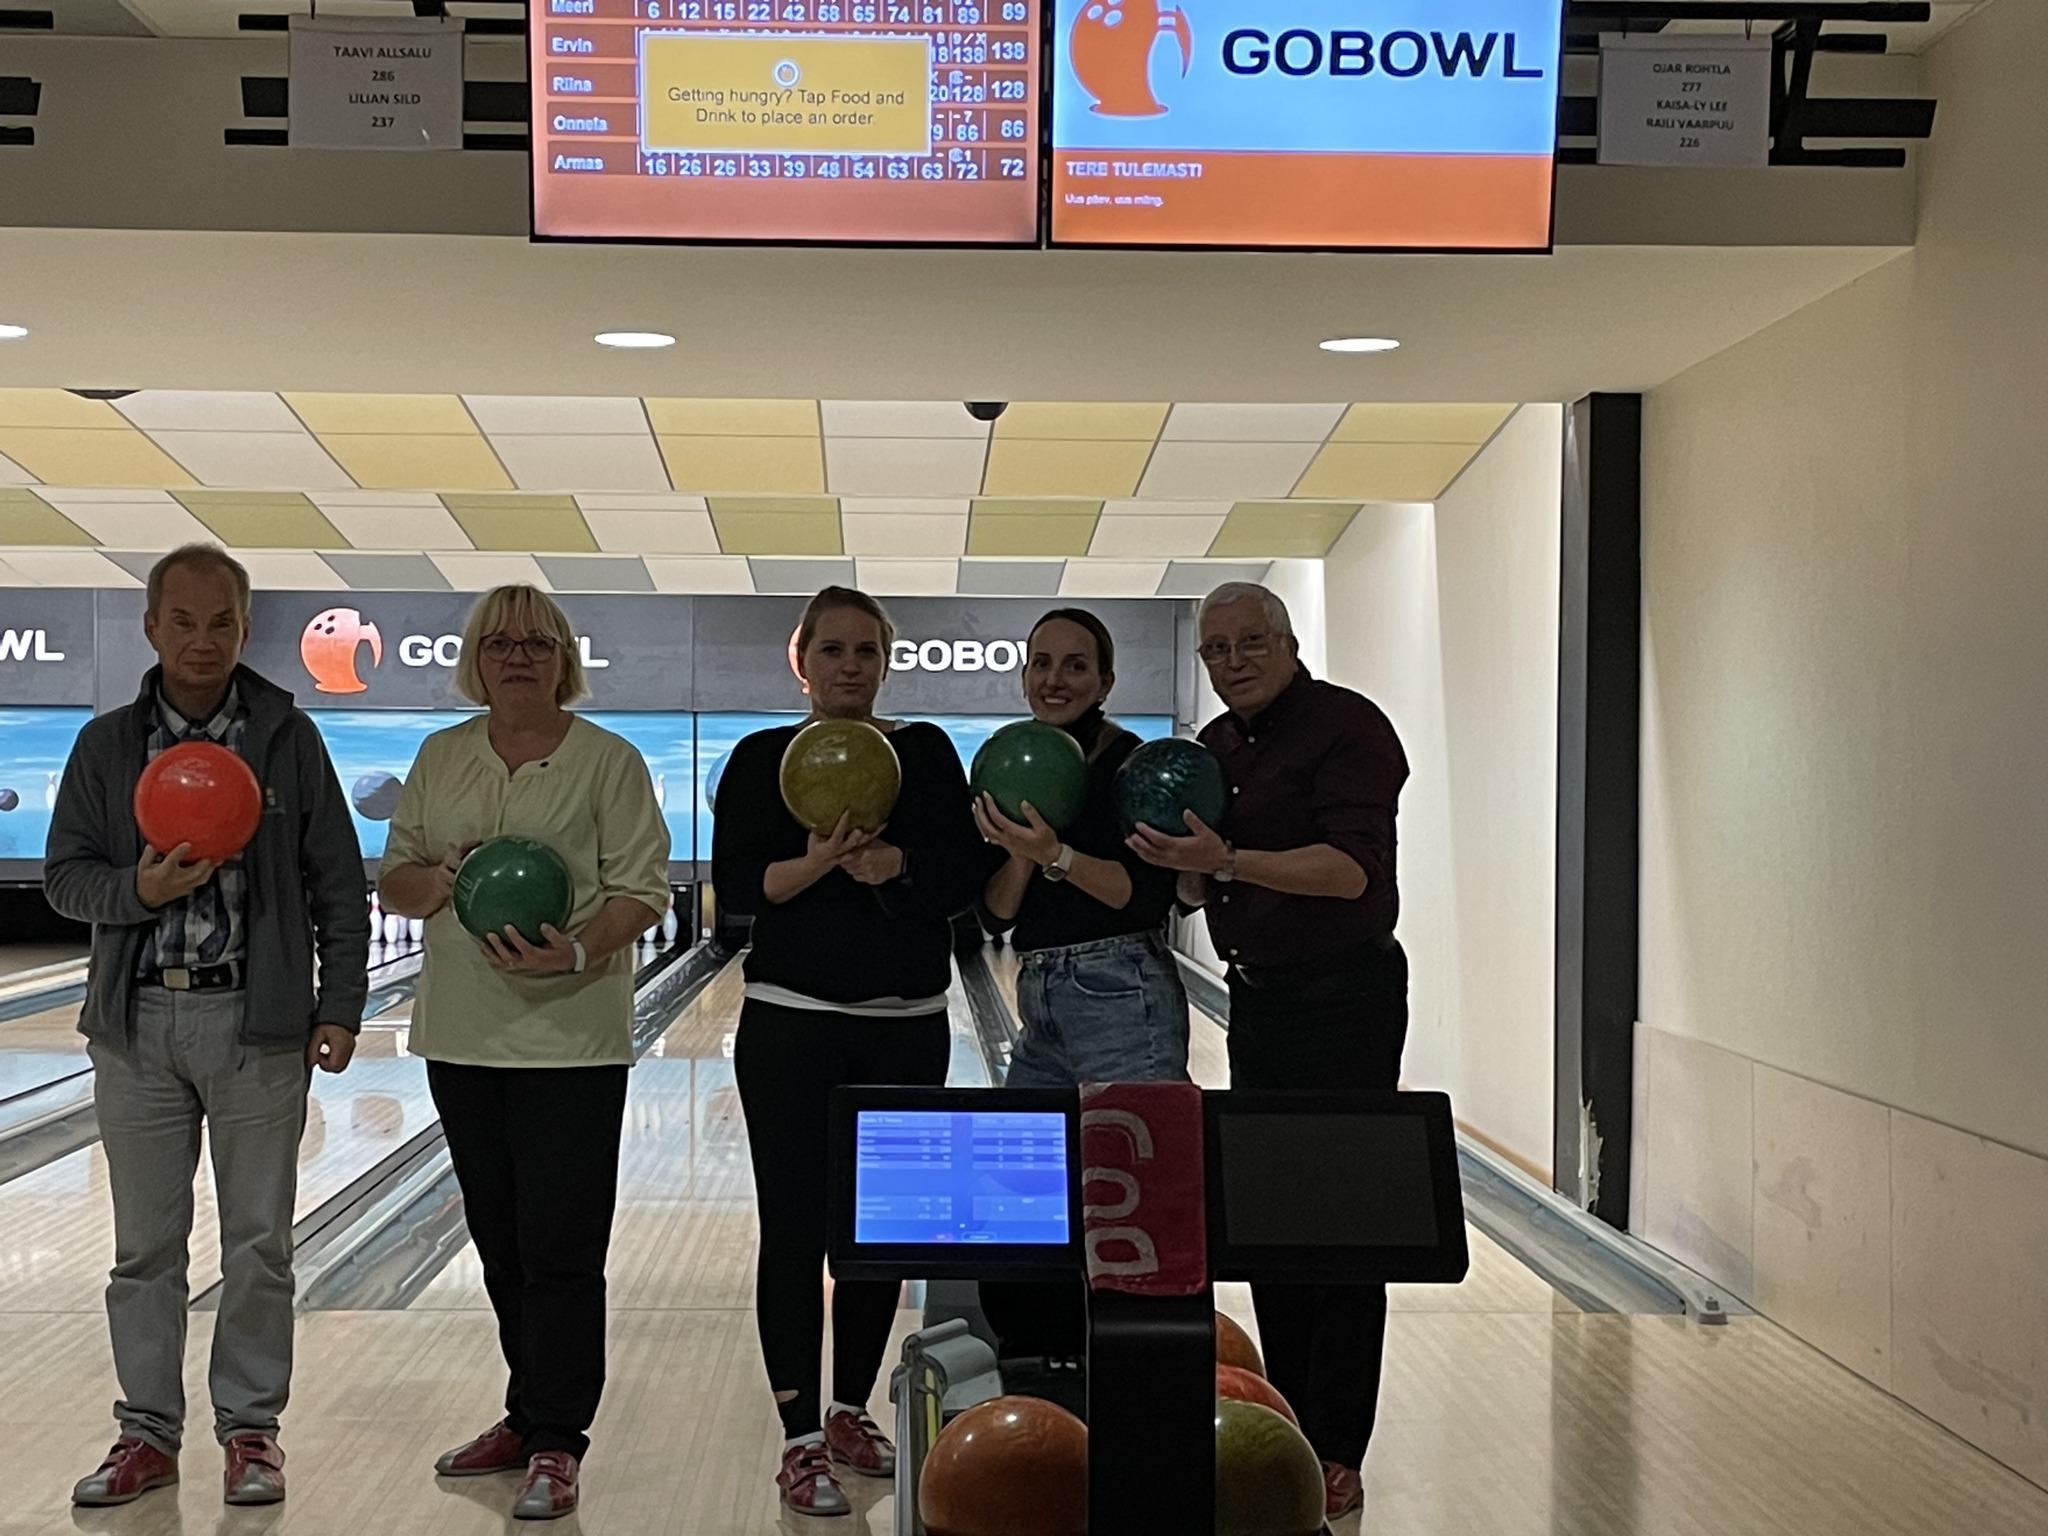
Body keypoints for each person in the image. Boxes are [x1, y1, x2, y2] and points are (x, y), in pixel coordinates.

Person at [46, 544, 368, 1509]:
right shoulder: (106, 746)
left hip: (256, 1022)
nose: (201, 640)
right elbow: (65, 879)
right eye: (182, 621)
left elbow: (337, 882)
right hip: (137, 1021)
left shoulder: (288, 739)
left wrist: (341, 1004)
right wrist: (137, 892)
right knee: (144, 1248)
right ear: (151, 627)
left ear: (244, 628)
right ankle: (145, 1433)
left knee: (259, 1243)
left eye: (220, 622)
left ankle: (251, 1431)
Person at [377, 585, 669, 1522]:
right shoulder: (442, 755)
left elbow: (643, 890)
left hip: (573, 1039)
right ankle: (526, 1409)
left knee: (562, 1250)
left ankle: (558, 1438)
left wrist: (575, 952)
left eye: (536, 643)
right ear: (476, 659)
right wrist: (441, 876)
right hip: (462, 1037)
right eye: (499, 643)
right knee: (500, 1243)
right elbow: (396, 883)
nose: (517, 657)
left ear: (562, 660)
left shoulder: (609, 761)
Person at [1130, 581, 1410, 1522]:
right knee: (1274, 1220)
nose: (1234, 661)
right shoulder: (1214, 747)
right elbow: (1202, 885)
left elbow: (1352, 872)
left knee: (1346, 1225)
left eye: (1251, 642)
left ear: (1288, 644)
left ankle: (1338, 1446)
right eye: (1216, 649)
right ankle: (1288, 1415)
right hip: (1258, 1002)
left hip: (1345, 998)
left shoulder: (1348, 729)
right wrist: (1186, 874)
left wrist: (1222, 862)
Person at [712, 586, 989, 1517]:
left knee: (881, 1232)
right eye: (831, 649)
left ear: (885, 662)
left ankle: (850, 1411)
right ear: (803, 663)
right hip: (790, 1021)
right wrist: (820, 862)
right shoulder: (762, 759)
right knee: (793, 1228)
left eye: (866, 650)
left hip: (906, 1023)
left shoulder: (926, 754)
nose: (849, 665)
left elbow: (962, 877)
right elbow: (738, 887)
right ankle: (798, 1439)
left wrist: (897, 863)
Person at [973, 608, 1189, 1363]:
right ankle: (1038, 1359)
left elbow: (1143, 897)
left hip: (1121, 986)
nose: (1054, 679)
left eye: (1074, 665)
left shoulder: (1130, 766)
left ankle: (1142, 1374)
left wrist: (1056, 853)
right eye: (1041, 663)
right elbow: (996, 914)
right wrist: (1023, 851)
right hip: (1041, 992)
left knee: (1137, 1199)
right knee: (1018, 1188)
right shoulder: (1009, 763)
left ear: (1105, 681)